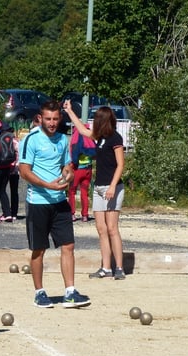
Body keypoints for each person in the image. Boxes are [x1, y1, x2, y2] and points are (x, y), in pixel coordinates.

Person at [19, 100, 91, 308]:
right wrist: (47, 185)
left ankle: (70, 291)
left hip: (59, 201)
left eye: (55, 119)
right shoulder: (31, 139)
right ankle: (39, 293)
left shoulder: (62, 139)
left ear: (60, 119)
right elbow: (24, 172)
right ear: (40, 118)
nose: (51, 123)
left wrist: (68, 175)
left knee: (68, 245)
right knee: (39, 249)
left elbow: (66, 166)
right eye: (48, 119)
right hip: (38, 201)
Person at [63, 100, 126, 280]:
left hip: (112, 187)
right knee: (101, 228)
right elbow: (82, 130)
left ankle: (119, 267)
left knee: (112, 228)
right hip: (98, 187)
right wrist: (69, 111)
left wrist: (112, 186)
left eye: (97, 118)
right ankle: (105, 267)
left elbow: (121, 165)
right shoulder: (99, 137)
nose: (94, 121)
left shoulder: (115, 138)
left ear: (103, 120)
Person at [68, 125, 96, 222]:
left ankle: (72, 214)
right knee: (84, 193)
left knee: (72, 191)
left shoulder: (77, 136)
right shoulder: (89, 137)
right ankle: (85, 215)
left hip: (77, 170)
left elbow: (74, 153)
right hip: (88, 170)